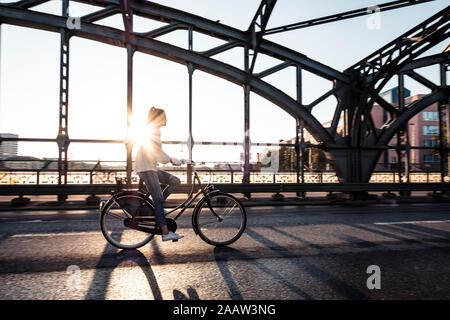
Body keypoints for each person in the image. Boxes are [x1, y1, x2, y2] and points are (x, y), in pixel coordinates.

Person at [135, 106, 184, 241]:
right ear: (159, 118)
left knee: (175, 181)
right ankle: (165, 232)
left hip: (151, 167)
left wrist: (173, 160)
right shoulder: (153, 130)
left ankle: (158, 209)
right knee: (158, 199)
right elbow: (156, 152)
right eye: (164, 117)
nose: (167, 120)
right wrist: (172, 160)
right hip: (147, 168)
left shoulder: (153, 130)